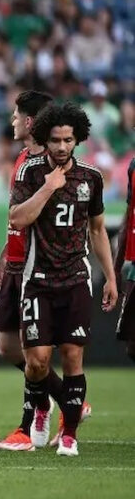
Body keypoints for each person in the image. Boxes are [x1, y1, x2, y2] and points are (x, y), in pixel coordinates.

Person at [8, 101, 117, 457]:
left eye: (68, 140)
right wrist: (49, 188)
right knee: (37, 361)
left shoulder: (91, 178)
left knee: (72, 356)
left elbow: (98, 230)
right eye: (55, 140)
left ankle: (69, 433)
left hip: (75, 279)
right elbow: (18, 218)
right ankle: (41, 406)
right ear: (45, 138)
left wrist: (111, 278)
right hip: (37, 279)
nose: (61, 147)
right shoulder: (30, 172)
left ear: (78, 140)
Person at [0, 91, 83, 452]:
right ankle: (65, 397)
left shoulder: (49, 167)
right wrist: (4, 250)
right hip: (14, 262)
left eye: (16, 116)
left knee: (34, 354)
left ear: (30, 122)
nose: (12, 122)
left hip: (37, 269)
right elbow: (18, 216)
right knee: (7, 348)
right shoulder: (23, 161)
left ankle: (32, 420)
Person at [116, 150, 135, 363]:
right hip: (134, 266)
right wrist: (115, 267)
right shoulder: (133, 166)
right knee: (132, 345)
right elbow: (129, 214)